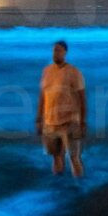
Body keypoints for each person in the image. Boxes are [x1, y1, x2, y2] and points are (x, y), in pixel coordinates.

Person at [36, 39, 87, 177]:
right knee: (56, 156)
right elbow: (43, 96)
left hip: (69, 121)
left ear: (65, 52)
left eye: (58, 50)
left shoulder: (74, 72)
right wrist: (39, 119)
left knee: (74, 157)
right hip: (50, 122)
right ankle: (58, 183)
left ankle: (80, 184)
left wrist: (82, 122)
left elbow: (82, 98)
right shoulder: (47, 71)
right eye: (54, 50)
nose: (55, 53)